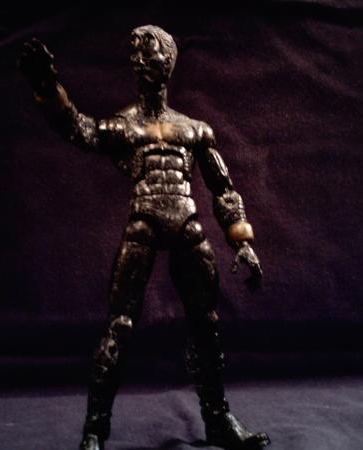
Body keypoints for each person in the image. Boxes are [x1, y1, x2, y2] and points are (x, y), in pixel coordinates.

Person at [18, 24, 269, 450]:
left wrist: (241, 241)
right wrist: (48, 88)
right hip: (144, 224)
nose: (137, 60)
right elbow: (78, 129)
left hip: (188, 227)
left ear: (167, 60)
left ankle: (218, 418)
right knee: (119, 325)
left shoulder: (194, 129)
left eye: (147, 52)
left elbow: (223, 188)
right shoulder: (123, 126)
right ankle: (94, 430)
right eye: (133, 53)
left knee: (206, 323)